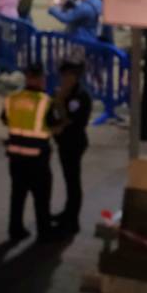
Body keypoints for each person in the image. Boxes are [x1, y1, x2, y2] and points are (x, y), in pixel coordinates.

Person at [0, 63, 59, 242]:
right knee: (41, 195)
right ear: (40, 79)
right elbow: (53, 125)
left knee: (17, 194)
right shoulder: (45, 101)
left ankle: (15, 229)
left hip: (15, 156)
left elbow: (5, 120)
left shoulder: (12, 98)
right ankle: (44, 231)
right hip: (37, 157)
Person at [51, 59, 91, 237]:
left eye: (67, 75)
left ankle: (72, 221)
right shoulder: (61, 94)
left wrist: (61, 105)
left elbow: (77, 122)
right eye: (63, 75)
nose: (64, 79)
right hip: (63, 142)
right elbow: (53, 116)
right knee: (69, 180)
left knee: (73, 182)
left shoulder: (80, 96)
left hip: (74, 143)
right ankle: (67, 213)